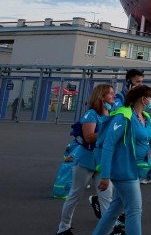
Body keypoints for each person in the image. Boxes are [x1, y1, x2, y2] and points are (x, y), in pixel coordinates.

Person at [92, 85, 151, 235]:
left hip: (134, 169)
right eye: (150, 97)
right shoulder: (123, 116)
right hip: (124, 171)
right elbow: (109, 144)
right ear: (142, 99)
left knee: (114, 210)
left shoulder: (145, 118)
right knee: (134, 210)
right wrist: (105, 175)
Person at [55, 84, 116, 235]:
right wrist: (109, 132)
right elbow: (88, 137)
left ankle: (109, 230)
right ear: (102, 97)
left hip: (103, 162)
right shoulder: (91, 114)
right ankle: (63, 228)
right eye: (111, 94)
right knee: (74, 196)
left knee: (107, 198)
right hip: (85, 161)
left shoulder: (112, 113)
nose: (114, 96)